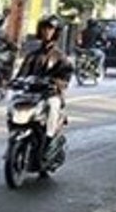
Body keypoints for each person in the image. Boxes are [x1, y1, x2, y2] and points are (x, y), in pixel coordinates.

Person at [16, 14, 73, 148]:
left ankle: (49, 138)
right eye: (44, 28)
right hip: (32, 94)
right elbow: (22, 73)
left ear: (56, 32)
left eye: (50, 29)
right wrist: (16, 82)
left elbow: (66, 75)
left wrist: (57, 83)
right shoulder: (32, 55)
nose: (47, 32)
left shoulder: (60, 57)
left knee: (52, 104)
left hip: (51, 94)